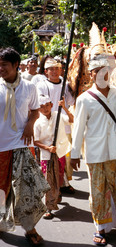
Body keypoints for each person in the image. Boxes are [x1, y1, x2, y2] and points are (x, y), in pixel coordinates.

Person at [71, 54, 116, 246]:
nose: (102, 74)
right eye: (97, 72)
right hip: (95, 152)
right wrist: (74, 154)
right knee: (97, 191)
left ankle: (108, 212)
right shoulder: (84, 99)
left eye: (105, 71)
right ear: (91, 75)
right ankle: (100, 228)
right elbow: (78, 128)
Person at [0, 47, 49, 246]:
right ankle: (2, 220)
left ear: (15, 66)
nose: (0, 68)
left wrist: (30, 123)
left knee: (26, 191)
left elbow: (36, 110)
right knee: (1, 190)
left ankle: (30, 229)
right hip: (1, 148)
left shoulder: (29, 87)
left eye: (4, 65)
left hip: (21, 145)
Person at [36, 57, 75, 193]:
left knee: (63, 155)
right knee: (47, 157)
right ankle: (50, 188)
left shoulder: (65, 84)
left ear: (61, 70)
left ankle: (62, 183)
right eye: (51, 69)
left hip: (62, 121)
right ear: (46, 71)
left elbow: (71, 100)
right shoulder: (41, 85)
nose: (54, 71)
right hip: (45, 124)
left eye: (57, 68)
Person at [34, 94, 74, 219]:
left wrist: (65, 107)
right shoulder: (38, 123)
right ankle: (49, 208)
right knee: (48, 180)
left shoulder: (58, 115)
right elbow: (35, 141)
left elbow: (71, 120)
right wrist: (47, 148)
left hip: (60, 152)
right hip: (46, 156)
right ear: (38, 109)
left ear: (51, 105)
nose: (45, 108)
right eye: (42, 107)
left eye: (47, 105)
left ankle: (57, 194)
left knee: (59, 177)